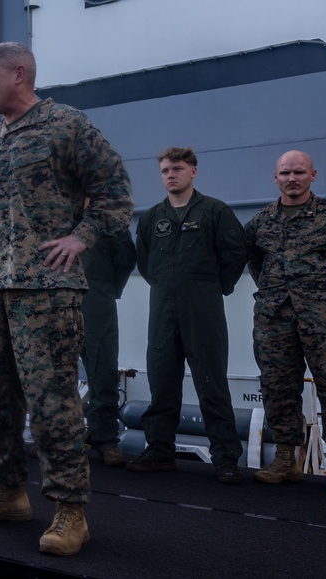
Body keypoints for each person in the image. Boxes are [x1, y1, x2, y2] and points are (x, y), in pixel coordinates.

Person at [0, 42, 132, 557]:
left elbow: (116, 191)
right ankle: (8, 492)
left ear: (20, 73)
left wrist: (82, 237)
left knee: (53, 402)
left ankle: (70, 511)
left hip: (46, 289)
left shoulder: (66, 124)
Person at [245, 150, 326, 494]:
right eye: (285, 173)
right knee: (277, 388)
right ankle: (286, 459)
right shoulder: (260, 223)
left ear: (313, 175)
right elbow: (256, 265)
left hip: (325, 320)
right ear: (276, 177)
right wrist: (280, 294)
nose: (292, 178)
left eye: (299, 172)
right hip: (274, 319)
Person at [129, 147, 246, 483]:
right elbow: (146, 263)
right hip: (163, 309)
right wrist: (169, 286)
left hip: (203, 309)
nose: (170, 175)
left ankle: (225, 459)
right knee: (162, 381)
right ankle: (160, 451)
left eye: (177, 168)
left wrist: (213, 287)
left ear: (193, 171)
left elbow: (235, 253)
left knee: (211, 384)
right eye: (165, 169)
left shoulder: (214, 211)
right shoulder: (152, 218)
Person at [80, 222, 135, 466]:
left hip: (97, 297)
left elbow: (125, 258)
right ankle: (58, 439)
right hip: (55, 297)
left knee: (103, 368)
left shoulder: (108, 220)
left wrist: (107, 288)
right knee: (54, 373)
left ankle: (105, 440)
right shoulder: (54, 210)